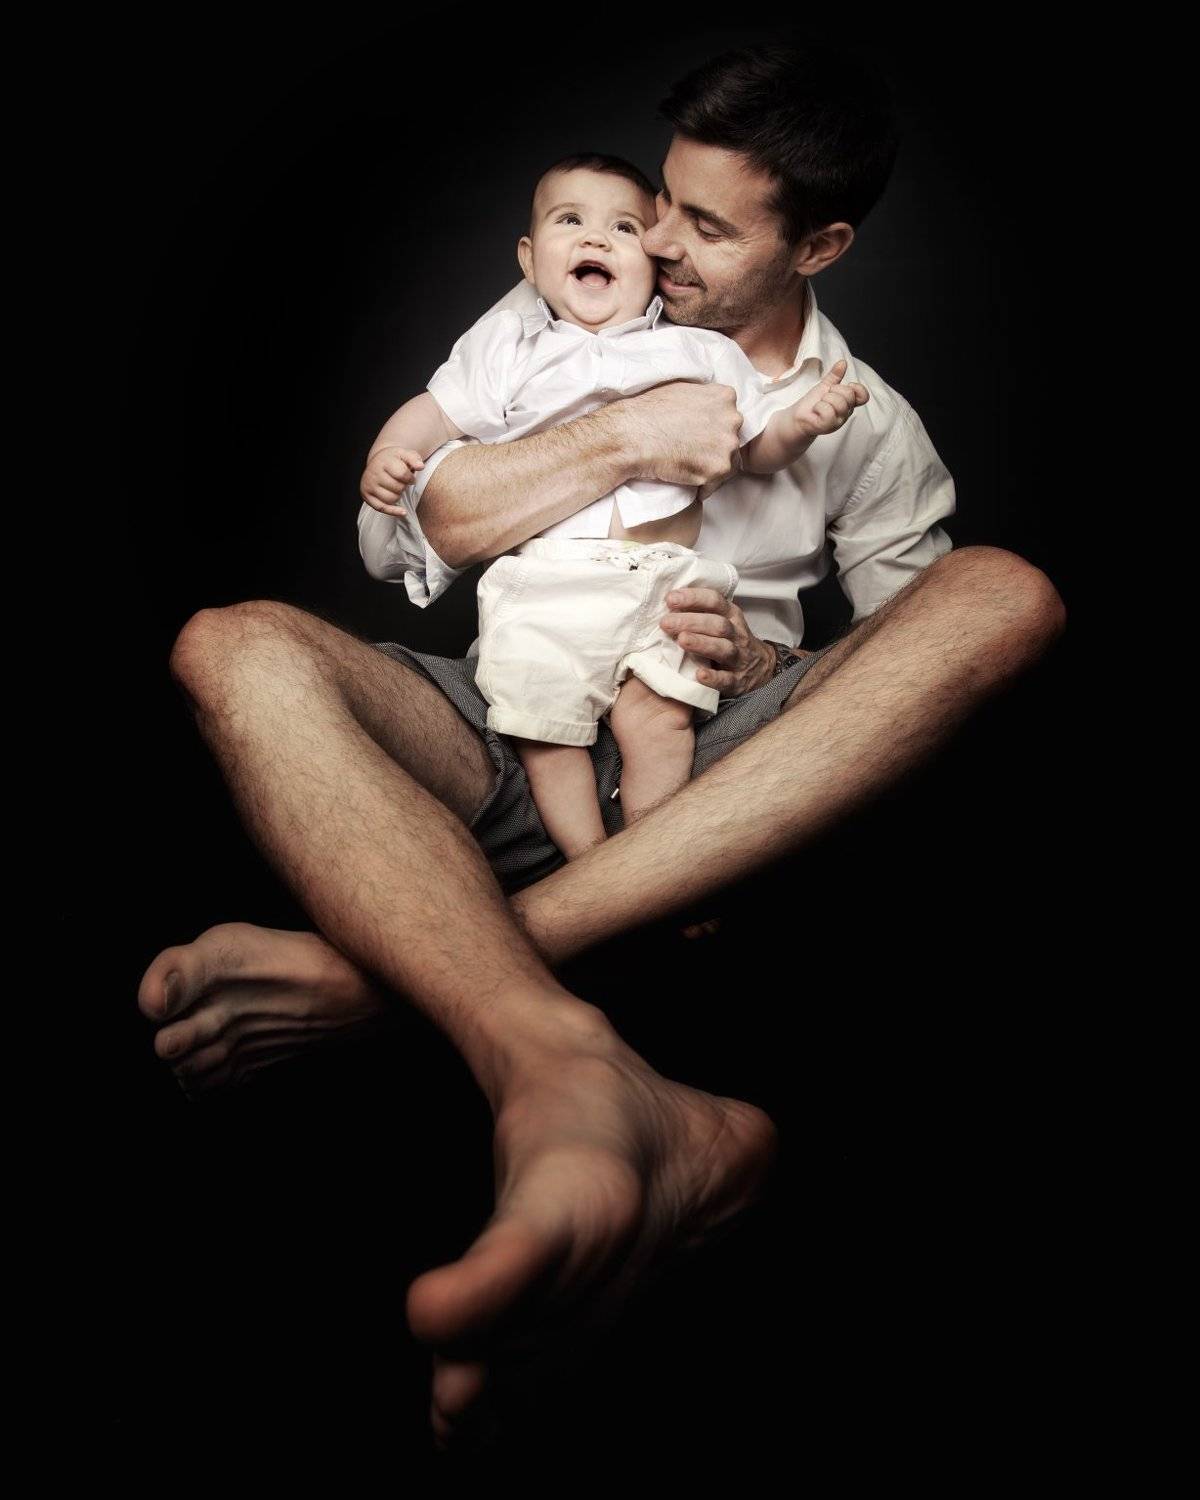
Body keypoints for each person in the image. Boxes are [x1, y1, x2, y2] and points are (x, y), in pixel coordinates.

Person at [137, 39, 1066, 1452]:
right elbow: (403, 540)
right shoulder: (549, 309)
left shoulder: (859, 414)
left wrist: (763, 661)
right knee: (231, 645)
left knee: (1004, 595)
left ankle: (408, 982)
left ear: (818, 245)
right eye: (661, 202)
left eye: (707, 226)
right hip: (517, 702)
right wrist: (625, 434)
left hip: (712, 753)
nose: (658, 240)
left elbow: (908, 674)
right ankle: (570, 1055)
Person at [359, 152, 869, 869]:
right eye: (570, 221)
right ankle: (592, 864)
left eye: (625, 228)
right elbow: (436, 412)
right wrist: (391, 453)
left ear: (650, 265)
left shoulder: (698, 350)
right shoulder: (508, 345)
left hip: (665, 583)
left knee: (660, 720)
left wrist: (803, 423)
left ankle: (652, 863)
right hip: (549, 584)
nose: (596, 238)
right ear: (529, 259)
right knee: (545, 733)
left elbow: (756, 447)